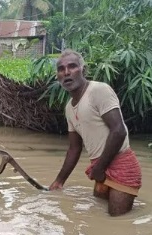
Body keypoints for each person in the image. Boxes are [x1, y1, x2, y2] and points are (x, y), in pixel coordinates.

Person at [48, 49, 142, 216]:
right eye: (61, 69)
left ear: (83, 70)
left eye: (72, 66)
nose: (66, 72)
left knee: (116, 223)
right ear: (58, 76)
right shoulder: (69, 108)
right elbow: (74, 149)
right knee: (98, 216)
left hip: (120, 166)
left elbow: (118, 131)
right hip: (100, 168)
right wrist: (59, 181)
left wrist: (99, 168)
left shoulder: (98, 90)